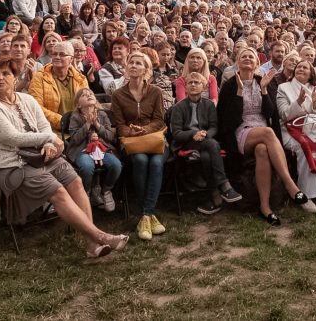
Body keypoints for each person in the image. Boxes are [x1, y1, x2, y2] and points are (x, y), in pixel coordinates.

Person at [0, 58, 128, 257]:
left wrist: (49, 143)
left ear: (15, 78)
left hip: (40, 157)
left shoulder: (27, 100)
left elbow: (43, 128)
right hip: (12, 164)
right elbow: (12, 138)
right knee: (57, 190)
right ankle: (100, 237)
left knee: (75, 180)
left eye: (5, 74)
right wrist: (49, 138)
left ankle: (91, 244)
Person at [217, 47, 310, 226]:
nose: (247, 58)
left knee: (262, 150)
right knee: (268, 133)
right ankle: (290, 184)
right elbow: (226, 120)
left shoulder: (263, 80)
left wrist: (265, 90)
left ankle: (265, 207)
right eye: (243, 56)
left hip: (261, 132)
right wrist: (238, 93)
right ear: (237, 62)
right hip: (241, 131)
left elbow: (270, 113)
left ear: (257, 63)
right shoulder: (230, 84)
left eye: (250, 56)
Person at [110, 51, 168, 241]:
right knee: (141, 160)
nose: (134, 66)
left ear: (146, 69)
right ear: (126, 68)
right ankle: (149, 215)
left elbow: (160, 120)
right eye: (131, 63)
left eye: (138, 63)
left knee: (157, 163)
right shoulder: (118, 94)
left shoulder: (155, 91)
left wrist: (145, 129)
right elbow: (119, 125)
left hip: (154, 138)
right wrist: (131, 131)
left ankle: (145, 214)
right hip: (132, 141)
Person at [168, 71, 243, 214]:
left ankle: (215, 196)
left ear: (203, 87)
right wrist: (193, 134)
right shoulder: (178, 107)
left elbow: (214, 126)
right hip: (186, 142)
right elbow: (176, 133)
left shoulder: (209, 105)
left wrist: (206, 134)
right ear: (185, 87)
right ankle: (225, 185)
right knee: (213, 144)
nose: (193, 85)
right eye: (190, 83)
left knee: (207, 156)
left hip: (205, 140)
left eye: (197, 83)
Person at [277, 59, 316, 210]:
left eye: (305, 68)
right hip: (291, 129)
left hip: (315, 128)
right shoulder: (283, 88)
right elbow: (284, 115)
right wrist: (298, 102)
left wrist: (315, 103)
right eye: (298, 67)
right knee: (305, 147)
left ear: (311, 74)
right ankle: (307, 194)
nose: (301, 69)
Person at [65, 89, 122, 211]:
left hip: (102, 149)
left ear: (95, 100)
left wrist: (96, 124)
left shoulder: (102, 114)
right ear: (79, 104)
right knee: (86, 166)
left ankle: (106, 190)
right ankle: (86, 192)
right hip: (83, 150)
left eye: (91, 94)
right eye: (84, 95)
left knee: (116, 165)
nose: (89, 95)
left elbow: (110, 136)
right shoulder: (75, 116)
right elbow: (74, 140)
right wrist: (87, 124)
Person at [28, 41, 88, 130]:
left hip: (78, 128)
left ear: (71, 59)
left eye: (62, 54)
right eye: (54, 54)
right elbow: (36, 107)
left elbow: (87, 104)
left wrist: (79, 122)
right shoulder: (39, 77)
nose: (57, 57)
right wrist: (62, 122)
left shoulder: (80, 78)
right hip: (49, 129)